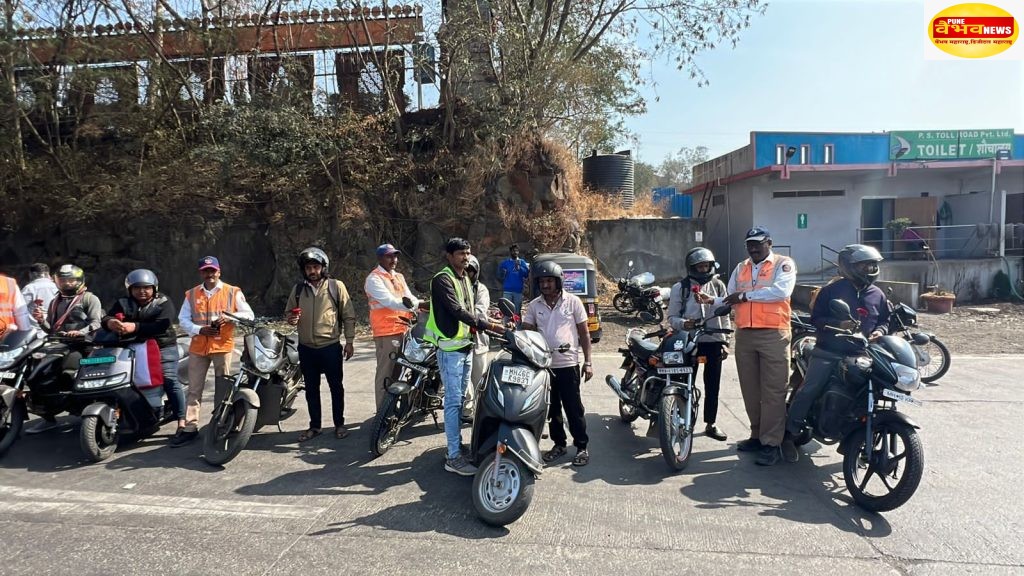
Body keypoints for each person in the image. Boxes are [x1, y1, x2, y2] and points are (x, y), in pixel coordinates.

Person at [784, 244, 889, 461]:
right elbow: (816, 319)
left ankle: (858, 438)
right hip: (828, 351)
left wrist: (880, 331)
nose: (869, 270)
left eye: (872, 266)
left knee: (870, 394)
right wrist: (837, 324)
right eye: (864, 265)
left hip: (862, 354)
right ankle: (789, 434)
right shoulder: (831, 291)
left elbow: (884, 320)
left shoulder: (877, 294)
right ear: (849, 266)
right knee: (810, 389)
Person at [425, 238, 505, 475]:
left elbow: (471, 310)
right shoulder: (442, 279)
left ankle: (456, 446)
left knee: (460, 402)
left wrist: (489, 322)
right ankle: (453, 457)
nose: (466, 257)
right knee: (452, 403)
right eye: (461, 253)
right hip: (450, 350)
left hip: (465, 346)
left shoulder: (464, 279)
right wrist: (489, 325)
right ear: (449, 256)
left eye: (468, 253)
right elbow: (457, 310)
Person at [722, 227, 797, 466]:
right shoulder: (741, 267)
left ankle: (771, 443)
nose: (753, 248)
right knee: (751, 390)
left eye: (758, 243)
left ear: (769, 243)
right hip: (745, 333)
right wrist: (711, 301)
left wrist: (745, 296)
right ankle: (756, 435)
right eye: (749, 244)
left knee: (773, 391)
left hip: (774, 334)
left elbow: (781, 292)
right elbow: (730, 295)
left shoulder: (783, 264)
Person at [175, 256, 255, 447]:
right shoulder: (192, 294)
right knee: (194, 389)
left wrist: (230, 317)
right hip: (198, 346)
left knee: (223, 388)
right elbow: (183, 319)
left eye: (212, 270)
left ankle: (222, 423)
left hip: (222, 346)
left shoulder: (232, 291)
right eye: (205, 271)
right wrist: (199, 330)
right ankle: (190, 428)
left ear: (219, 272)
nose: (209, 274)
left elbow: (249, 315)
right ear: (201, 273)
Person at [102, 269, 187, 443]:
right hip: (132, 347)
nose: (142, 291)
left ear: (154, 288)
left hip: (162, 346)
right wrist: (110, 322)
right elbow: (107, 317)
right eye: (137, 288)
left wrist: (135, 327)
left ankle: (183, 421)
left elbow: (161, 325)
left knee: (169, 379)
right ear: (130, 289)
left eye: (146, 288)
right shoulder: (123, 303)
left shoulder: (163, 302)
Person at [522, 261, 594, 467]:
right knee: (552, 409)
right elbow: (526, 330)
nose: (545, 285)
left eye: (549, 281)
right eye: (542, 281)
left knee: (574, 409)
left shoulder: (573, 302)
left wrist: (588, 362)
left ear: (558, 282)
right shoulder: (534, 305)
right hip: (544, 367)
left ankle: (581, 446)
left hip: (568, 364)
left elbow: (584, 334)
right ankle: (559, 445)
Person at [286, 247, 357, 442]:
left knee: (336, 387)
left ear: (323, 267)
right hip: (306, 348)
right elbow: (289, 313)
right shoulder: (298, 290)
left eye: (316, 267)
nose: (312, 271)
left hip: (330, 346)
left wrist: (349, 341)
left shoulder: (336, 286)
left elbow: (348, 315)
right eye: (308, 268)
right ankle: (315, 426)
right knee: (311, 389)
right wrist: (291, 319)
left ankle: (339, 424)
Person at [26, 264, 102, 434]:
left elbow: (96, 323)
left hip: (83, 345)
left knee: (69, 372)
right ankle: (48, 417)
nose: (67, 283)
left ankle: (81, 407)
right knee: (36, 372)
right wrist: (41, 321)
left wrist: (80, 332)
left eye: (71, 280)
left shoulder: (89, 298)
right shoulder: (55, 301)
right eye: (63, 280)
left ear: (80, 280)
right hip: (60, 345)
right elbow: (51, 329)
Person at [666, 247, 731, 442]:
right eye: (699, 267)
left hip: (713, 341)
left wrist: (726, 341)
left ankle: (711, 423)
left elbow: (725, 314)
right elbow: (672, 317)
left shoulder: (718, 285)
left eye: (706, 266)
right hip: (688, 342)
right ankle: (682, 421)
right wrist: (684, 324)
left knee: (713, 385)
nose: (703, 270)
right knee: (684, 383)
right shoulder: (681, 288)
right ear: (691, 268)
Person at [364, 244, 418, 412]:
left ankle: (394, 410)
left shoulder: (398, 276)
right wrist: (416, 305)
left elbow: (410, 297)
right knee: (386, 373)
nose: (393, 259)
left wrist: (419, 304)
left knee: (399, 372)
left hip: (404, 330)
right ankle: (382, 414)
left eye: (395, 256)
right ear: (380, 258)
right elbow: (390, 301)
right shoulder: (374, 279)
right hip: (387, 332)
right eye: (389, 256)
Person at [465, 254, 490, 421]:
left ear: (476, 272)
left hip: (478, 340)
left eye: (470, 271)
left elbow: (480, 312)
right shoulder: (455, 286)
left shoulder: (481, 289)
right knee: (464, 379)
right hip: (459, 341)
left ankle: (481, 411)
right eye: (465, 270)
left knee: (479, 378)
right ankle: (467, 410)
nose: (467, 273)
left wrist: (459, 314)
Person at [21, 263, 58, 334]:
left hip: (35, 330)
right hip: (52, 328)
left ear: (32, 274)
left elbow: (19, 308)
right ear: (48, 273)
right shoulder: (57, 287)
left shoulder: (30, 288)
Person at [497, 244, 529, 314]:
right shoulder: (505, 263)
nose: (515, 252)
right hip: (507, 291)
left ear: (518, 252)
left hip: (518, 291)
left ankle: (517, 321)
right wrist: (503, 272)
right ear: (510, 252)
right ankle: (506, 321)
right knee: (506, 312)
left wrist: (520, 268)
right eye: (513, 251)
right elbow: (499, 276)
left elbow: (526, 274)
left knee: (517, 312)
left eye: (517, 251)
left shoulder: (522, 262)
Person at [0, 271, 32, 337]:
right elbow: (21, 313)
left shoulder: (9, 283)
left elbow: (21, 312)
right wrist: (24, 336)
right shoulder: (9, 283)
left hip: (6, 334)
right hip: (6, 335)